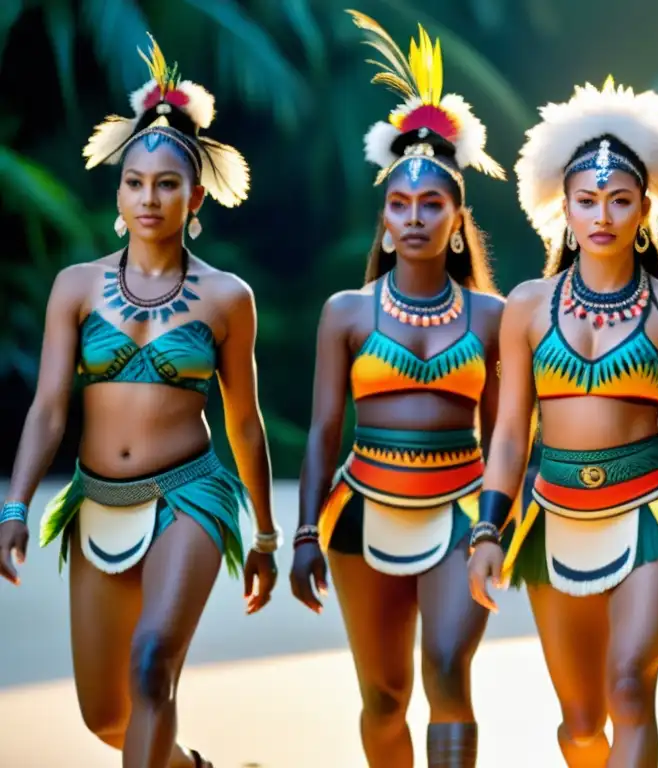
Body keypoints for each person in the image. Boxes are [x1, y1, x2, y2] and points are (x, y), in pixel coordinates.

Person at [0, 35, 280, 768]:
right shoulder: (76, 285)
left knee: (154, 662)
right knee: (106, 717)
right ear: (118, 194)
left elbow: (243, 422)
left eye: (165, 185)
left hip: (190, 493)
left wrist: (267, 536)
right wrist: (15, 506)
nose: (148, 197)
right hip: (97, 498)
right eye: (134, 182)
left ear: (194, 198)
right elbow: (49, 411)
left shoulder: (227, 297)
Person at [467, 77, 658, 768]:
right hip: (552, 516)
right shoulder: (525, 305)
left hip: (655, 512)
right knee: (581, 725)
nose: (603, 214)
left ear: (646, 209)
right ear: (565, 210)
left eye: (619, 200)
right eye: (587, 201)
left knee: (629, 690)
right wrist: (488, 528)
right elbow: (510, 428)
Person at [288, 12, 505, 768]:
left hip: (462, 511)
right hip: (361, 511)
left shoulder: (492, 317)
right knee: (383, 696)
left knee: (448, 671)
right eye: (400, 205)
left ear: (456, 219)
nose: (414, 216)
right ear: (383, 221)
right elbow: (322, 431)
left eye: (432, 205)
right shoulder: (346, 314)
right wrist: (306, 532)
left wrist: (500, 526)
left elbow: (510, 436)